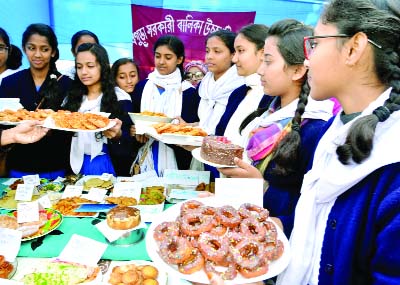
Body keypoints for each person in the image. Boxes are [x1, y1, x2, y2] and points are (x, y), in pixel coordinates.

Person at [275, 0, 400, 284]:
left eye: (316, 43)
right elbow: (317, 232)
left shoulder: (393, 166)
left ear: (354, 48)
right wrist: (275, 226)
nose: (307, 59)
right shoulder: (340, 127)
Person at [220, 19, 333, 231]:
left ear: (298, 71)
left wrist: (260, 185)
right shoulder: (269, 113)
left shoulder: (316, 130)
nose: (260, 70)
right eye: (262, 60)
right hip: (249, 226)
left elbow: (310, 210)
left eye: (268, 61)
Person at [0, 23, 73, 179]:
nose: (37, 55)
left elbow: (72, 126)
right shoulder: (9, 83)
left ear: (53, 52)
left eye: (44, 49)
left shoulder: (67, 84)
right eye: (32, 48)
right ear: (24, 48)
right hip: (19, 163)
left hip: (55, 163)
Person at [130, 34, 200, 174]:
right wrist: (135, 131)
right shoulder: (142, 88)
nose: (161, 62)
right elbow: (134, 122)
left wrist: (181, 130)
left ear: (179, 59)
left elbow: (194, 131)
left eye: (168, 57)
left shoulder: (188, 93)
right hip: (145, 156)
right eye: (157, 56)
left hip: (178, 161)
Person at [62, 43, 124, 176]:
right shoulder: (71, 99)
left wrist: (117, 135)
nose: (83, 72)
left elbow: (128, 141)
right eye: (79, 67)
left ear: (103, 66)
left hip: (107, 162)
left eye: (90, 66)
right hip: (74, 163)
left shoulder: (120, 98)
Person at [215, 23, 271, 146]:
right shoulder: (238, 93)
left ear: (263, 52)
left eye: (241, 51)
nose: (234, 59)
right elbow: (220, 136)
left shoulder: (272, 97)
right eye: (235, 52)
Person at [197, 29, 245, 135]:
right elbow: (202, 124)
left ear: (233, 55)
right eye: (207, 51)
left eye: (217, 51)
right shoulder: (203, 85)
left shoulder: (240, 88)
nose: (209, 56)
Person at [110, 57, 140, 176]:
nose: (129, 81)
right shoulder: (122, 100)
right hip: (122, 160)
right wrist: (130, 132)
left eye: (132, 75)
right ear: (115, 79)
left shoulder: (140, 95)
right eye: (122, 77)